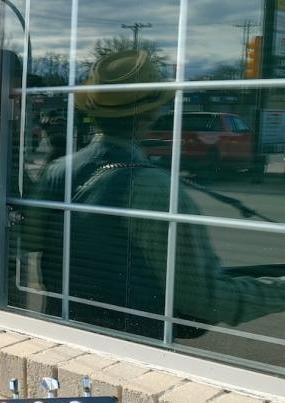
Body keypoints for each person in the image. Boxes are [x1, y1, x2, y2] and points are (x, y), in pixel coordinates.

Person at [22, 49, 285, 340]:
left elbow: (32, 240)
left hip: (60, 333)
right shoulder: (156, 189)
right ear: (152, 113)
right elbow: (205, 300)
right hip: (129, 349)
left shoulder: (58, 170)